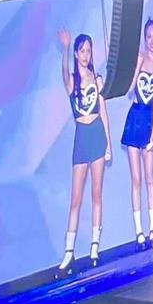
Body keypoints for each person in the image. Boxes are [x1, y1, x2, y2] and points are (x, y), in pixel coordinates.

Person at [57, 30, 112, 275]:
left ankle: (94, 247)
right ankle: (69, 252)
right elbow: (63, 72)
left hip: (97, 135)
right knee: (76, 198)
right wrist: (66, 47)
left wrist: (108, 145)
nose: (86, 54)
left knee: (96, 193)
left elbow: (104, 113)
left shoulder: (97, 80)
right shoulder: (72, 81)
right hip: (81, 138)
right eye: (82, 50)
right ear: (77, 53)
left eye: (89, 50)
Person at [121, 18, 153, 247]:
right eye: (148, 36)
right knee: (136, 178)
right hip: (134, 118)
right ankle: (138, 230)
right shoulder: (140, 60)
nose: (152, 40)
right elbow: (130, 90)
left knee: (150, 177)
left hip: (149, 121)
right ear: (144, 39)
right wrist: (138, 65)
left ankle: (152, 228)